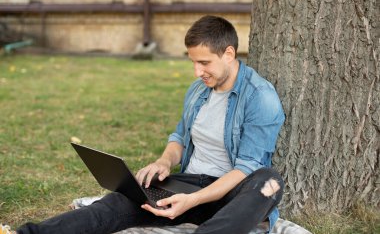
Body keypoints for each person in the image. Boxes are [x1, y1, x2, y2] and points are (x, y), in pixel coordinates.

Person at [1, 15, 285, 234]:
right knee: (117, 203)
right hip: (188, 186)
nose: (197, 72)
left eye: (204, 63)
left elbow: (245, 168)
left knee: (269, 181)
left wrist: (195, 200)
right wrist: (164, 162)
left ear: (229, 54)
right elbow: (180, 137)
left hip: (229, 197)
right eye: (193, 63)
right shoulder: (198, 91)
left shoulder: (260, 97)